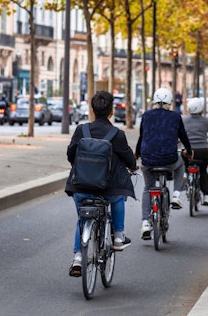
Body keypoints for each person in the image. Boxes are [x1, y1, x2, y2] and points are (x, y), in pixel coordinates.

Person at [65, 90, 137, 277]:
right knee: (118, 198)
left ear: (92, 109)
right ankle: (119, 236)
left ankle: (78, 259)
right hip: (108, 188)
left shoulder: (82, 130)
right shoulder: (117, 134)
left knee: (82, 218)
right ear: (111, 111)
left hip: (80, 187)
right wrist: (133, 167)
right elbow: (129, 158)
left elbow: (70, 154)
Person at [136, 87, 193, 240]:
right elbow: (183, 134)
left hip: (148, 160)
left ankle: (145, 224)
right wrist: (189, 150)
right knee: (181, 162)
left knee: (148, 188)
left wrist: (137, 154)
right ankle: (175, 195)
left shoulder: (146, 115)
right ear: (170, 102)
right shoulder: (175, 116)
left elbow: (142, 137)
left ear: (154, 101)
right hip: (169, 159)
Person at [182, 97, 208, 206]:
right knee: (203, 171)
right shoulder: (206, 121)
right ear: (201, 109)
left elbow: (178, 133)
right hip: (203, 151)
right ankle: (206, 196)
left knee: (184, 161)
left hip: (188, 151)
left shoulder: (183, 120)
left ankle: (186, 173)